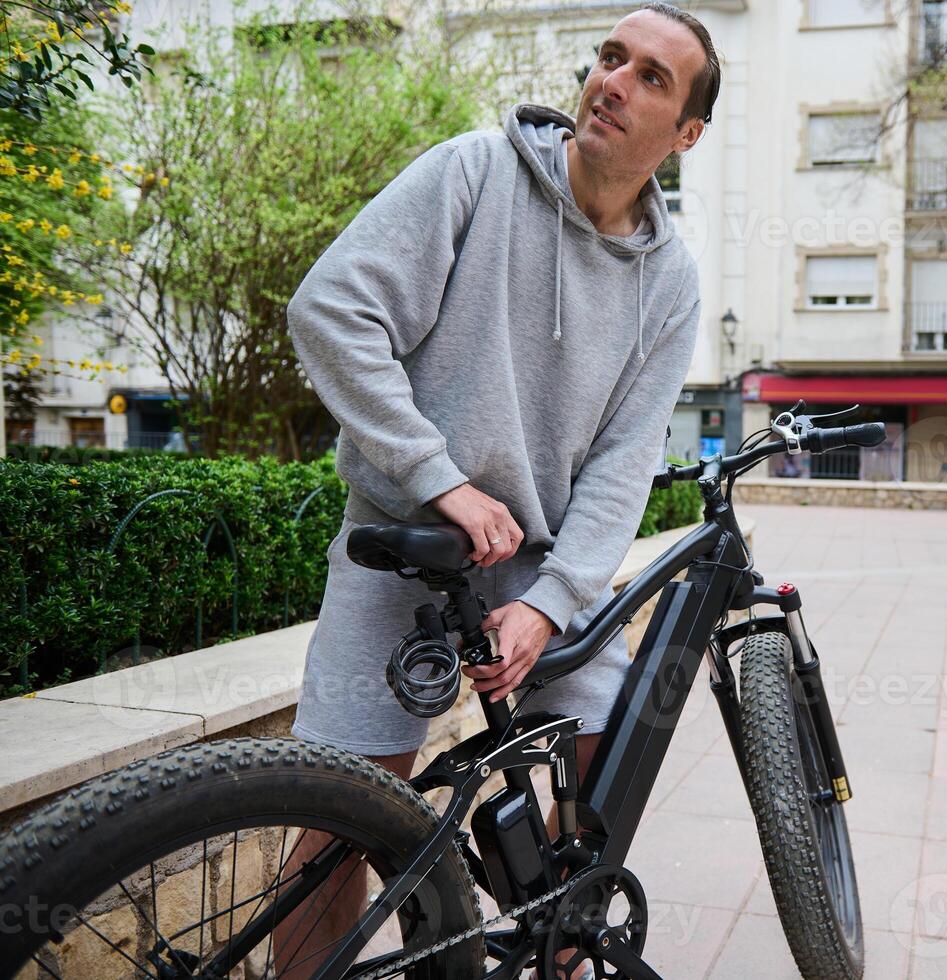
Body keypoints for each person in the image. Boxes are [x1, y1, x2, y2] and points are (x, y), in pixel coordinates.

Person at [275, 3, 720, 973]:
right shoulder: (473, 173)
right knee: (333, 817)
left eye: (652, 75)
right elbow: (331, 311)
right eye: (611, 57)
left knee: (598, 795)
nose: (614, 80)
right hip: (406, 535)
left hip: (543, 565)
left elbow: (621, 463)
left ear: (685, 135)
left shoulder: (672, 279)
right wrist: (439, 479)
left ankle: (559, 955)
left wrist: (551, 605)